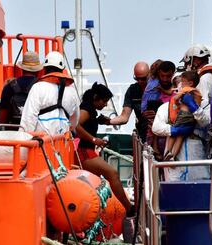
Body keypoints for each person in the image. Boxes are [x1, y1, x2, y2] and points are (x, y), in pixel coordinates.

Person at [74, 83, 135, 241]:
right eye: (104, 101)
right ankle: (129, 209)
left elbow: (87, 122)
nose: (106, 104)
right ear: (96, 98)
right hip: (83, 152)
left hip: (88, 151)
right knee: (112, 173)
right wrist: (94, 139)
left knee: (99, 184)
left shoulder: (91, 110)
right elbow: (75, 126)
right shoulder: (86, 109)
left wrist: (101, 121)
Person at [20, 51, 79, 135]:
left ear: (44, 68)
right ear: (62, 69)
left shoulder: (38, 87)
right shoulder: (71, 91)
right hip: (62, 141)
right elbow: (74, 121)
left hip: (42, 142)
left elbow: (28, 118)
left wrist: (24, 139)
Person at [0, 51, 43, 129]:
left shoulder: (9, 86)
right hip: (35, 132)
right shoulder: (41, 85)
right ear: (38, 70)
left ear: (22, 69)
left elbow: (2, 117)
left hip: (12, 132)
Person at [105, 61, 150, 140]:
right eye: (137, 78)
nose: (139, 81)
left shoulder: (157, 88)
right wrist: (109, 122)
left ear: (149, 75)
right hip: (143, 134)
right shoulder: (132, 90)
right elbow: (124, 117)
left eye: (143, 78)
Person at [164, 70, 202, 161]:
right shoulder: (196, 92)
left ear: (190, 83)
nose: (181, 84)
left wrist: (177, 103)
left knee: (173, 133)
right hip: (191, 117)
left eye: (183, 82)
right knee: (181, 136)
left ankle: (168, 152)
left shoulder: (186, 89)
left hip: (183, 115)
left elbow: (176, 98)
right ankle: (173, 156)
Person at [142, 61, 176, 160]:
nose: (165, 79)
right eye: (162, 76)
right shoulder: (153, 88)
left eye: (168, 76)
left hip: (171, 139)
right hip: (155, 139)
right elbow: (145, 110)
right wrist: (146, 114)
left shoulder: (178, 86)